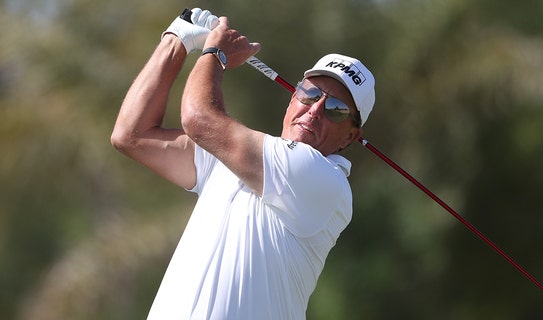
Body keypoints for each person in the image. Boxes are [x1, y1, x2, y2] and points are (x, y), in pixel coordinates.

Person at [111, 8, 375, 320]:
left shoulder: (323, 180)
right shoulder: (231, 157)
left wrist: (216, 54)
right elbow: (132, 134)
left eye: (335, 109)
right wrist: (176, 40)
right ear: (292, 98)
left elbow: (198, 119)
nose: (314, 110)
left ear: (350, 136)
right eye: (309, 93)